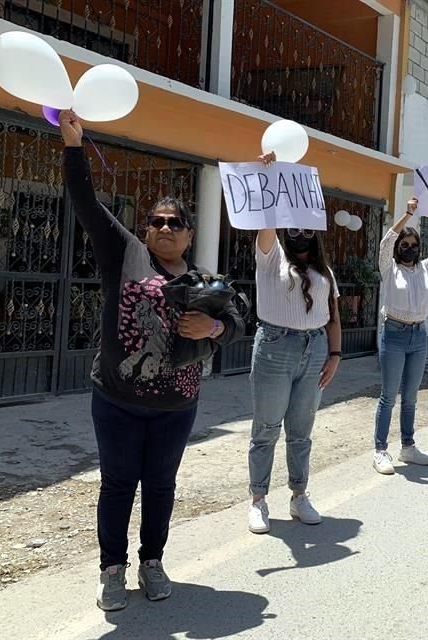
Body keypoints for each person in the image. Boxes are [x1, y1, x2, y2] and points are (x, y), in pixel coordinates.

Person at [59, 111, 245, 611]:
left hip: (175, 407)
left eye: (175, 223)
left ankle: (153, 561)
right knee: (118, 484)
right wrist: (74, 149)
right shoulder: (125, 255)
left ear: (188, 235)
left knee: (161, 485)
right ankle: (112, 570)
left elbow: (240, 324)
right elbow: (85, 203)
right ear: (146, 230)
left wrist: (216, 327)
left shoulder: (207, 281)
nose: (165, 228)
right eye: (157, 222)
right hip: (117, 400)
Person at [247, 153, 343, 533]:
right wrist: (270, 178)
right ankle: (258, 499)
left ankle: (299, 494)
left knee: (301, 430)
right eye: (293, 229)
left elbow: (333, 317)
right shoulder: (271, 260)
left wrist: (335, 355)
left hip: (315, 348)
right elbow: (266, 226)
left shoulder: (325, 271)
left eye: (306, 230)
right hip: (274, 347)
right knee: (267, 428)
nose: (299, 235)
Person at [372, 198, 428, 475]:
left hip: (419, 336)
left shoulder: (423, 268)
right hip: (394, 335)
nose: (409, 248)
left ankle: (408, 446)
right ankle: (380, 450)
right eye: (404, 245)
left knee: (411, 396)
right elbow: (386, 243)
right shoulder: (389, 268)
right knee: (388, 396)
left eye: (413, 245)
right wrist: (407, 215)